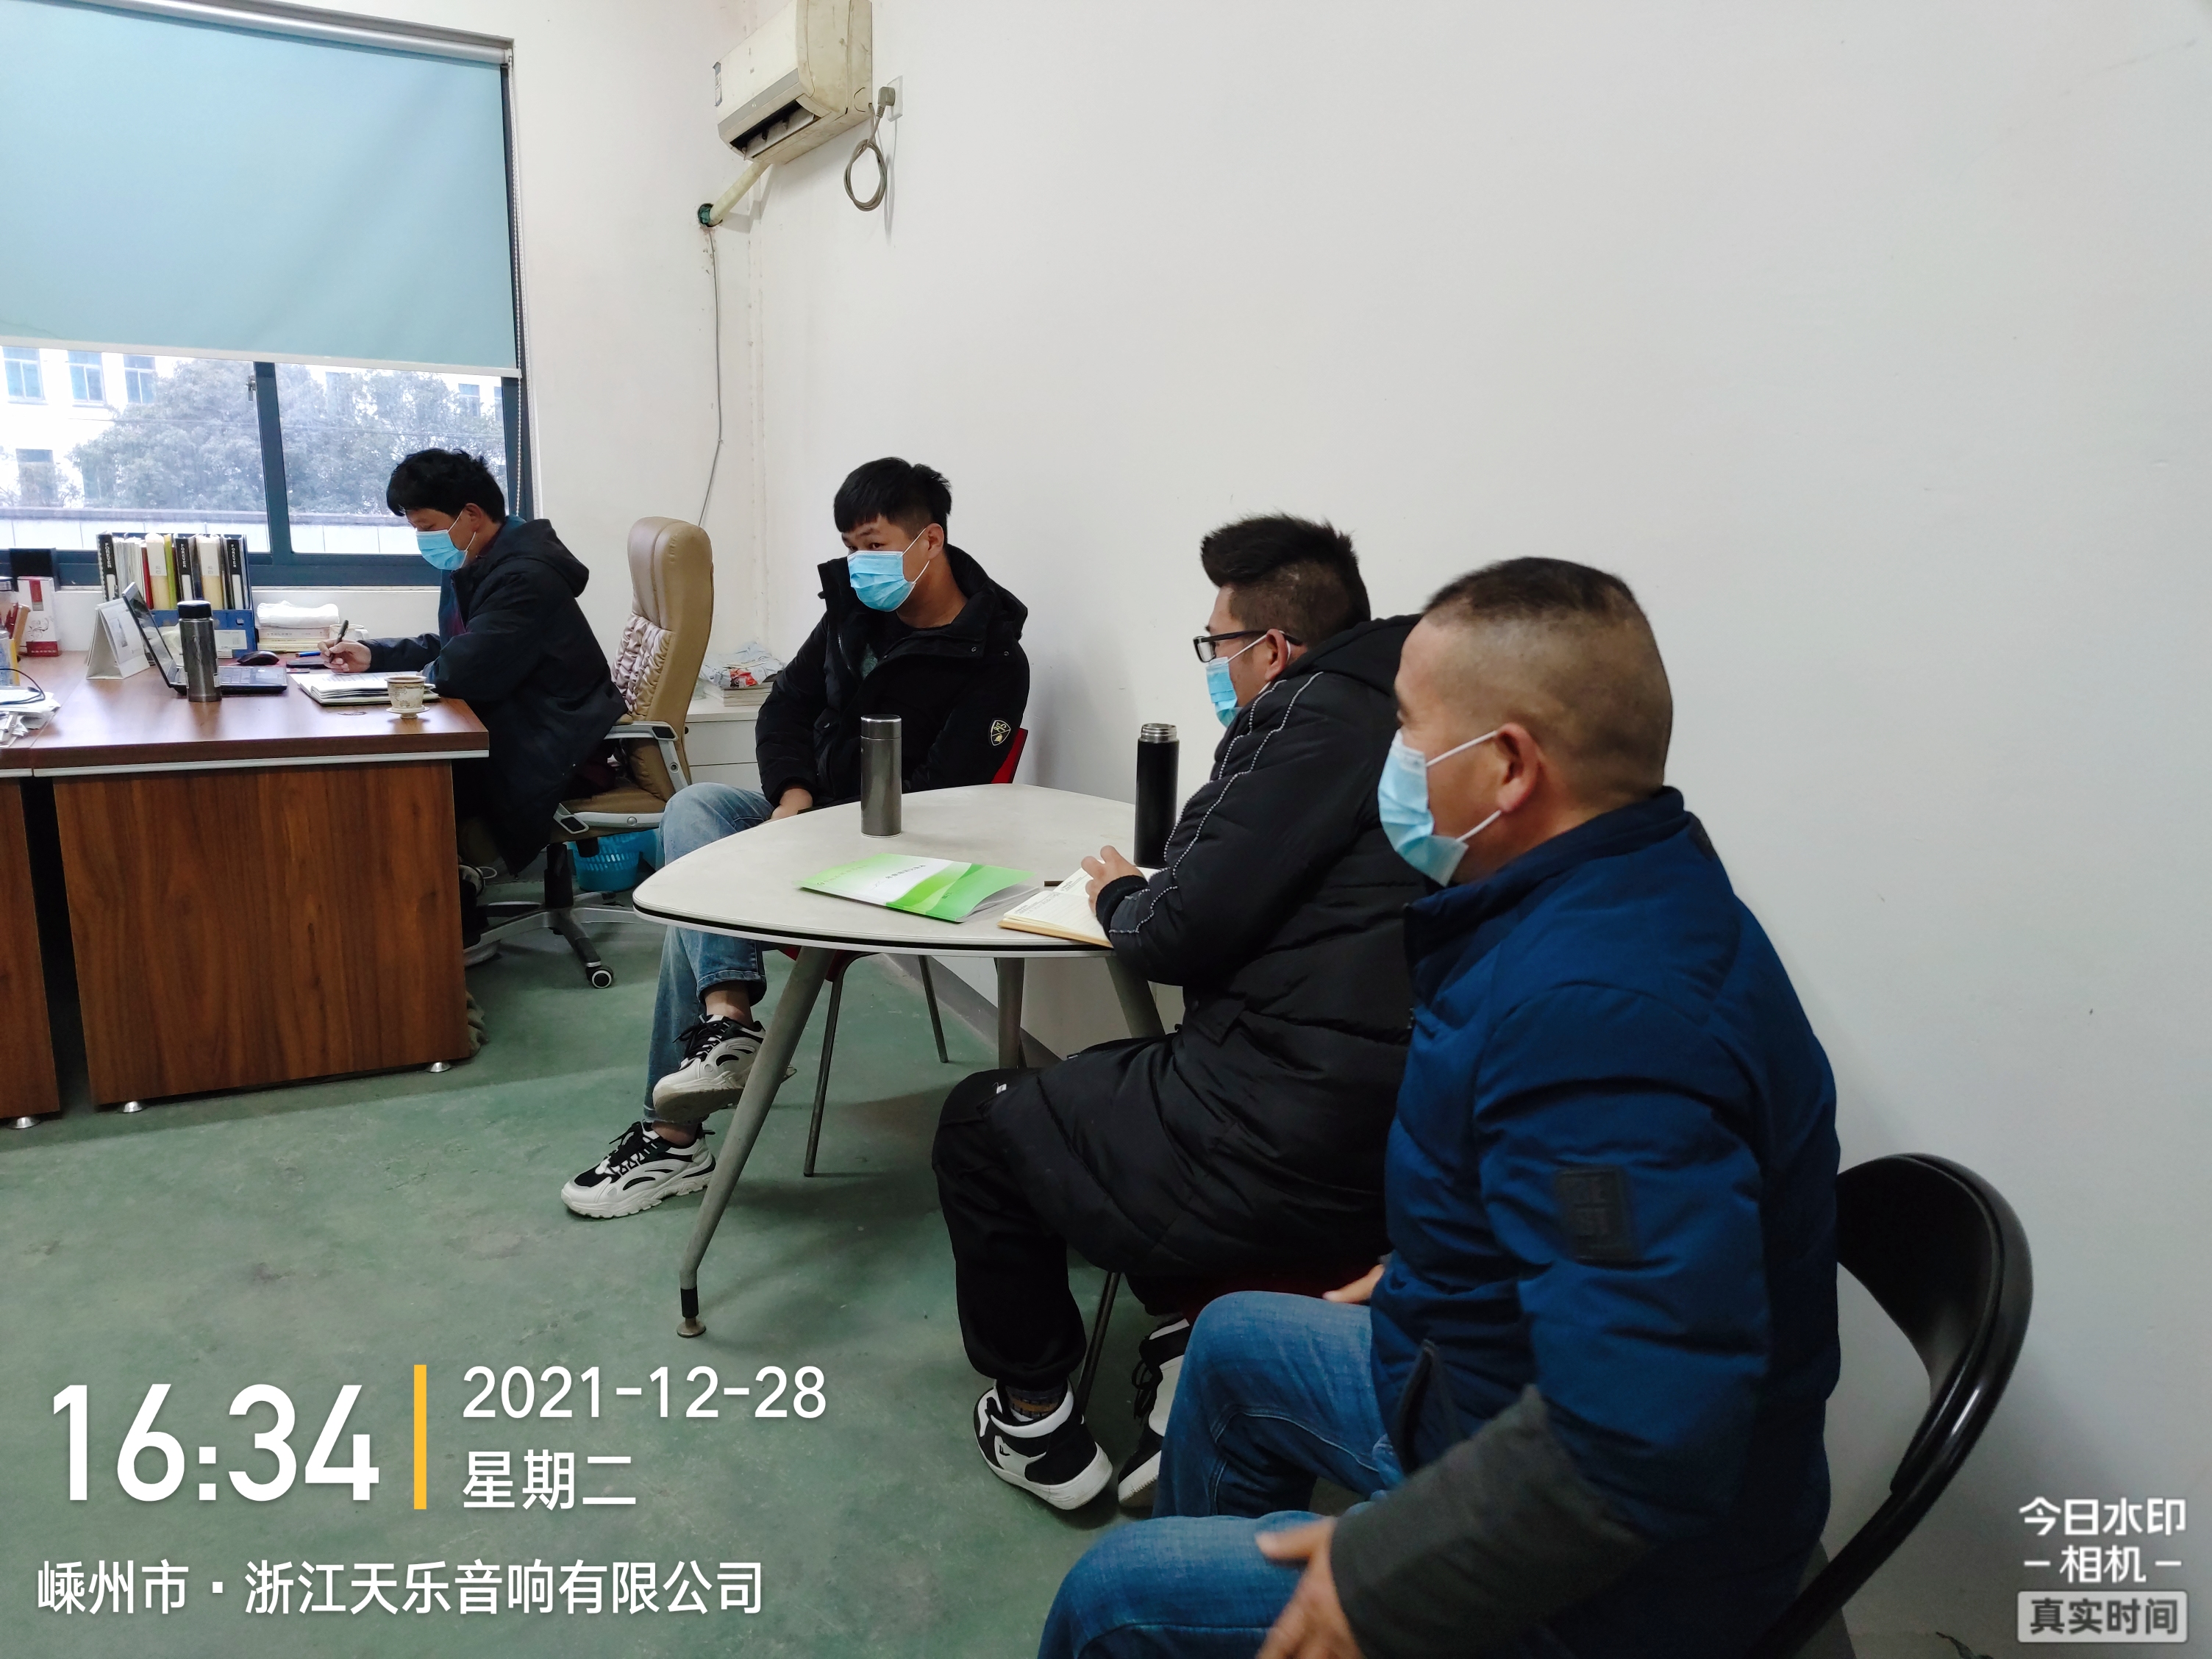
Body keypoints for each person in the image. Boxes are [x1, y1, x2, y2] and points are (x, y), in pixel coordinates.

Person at [1036, 558, 1841, 1659]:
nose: (1393, 758)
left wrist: (1382, 1571)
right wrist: (1448, 1256)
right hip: (1483, 1383)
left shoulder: (1601, 1023)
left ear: (1507, 767)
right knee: (1230, 1341)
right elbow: (1588, 1221)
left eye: (1408, 728)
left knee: (1113, 1599)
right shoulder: (1601, 891)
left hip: (1611, 1585)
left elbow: (1641, 1430)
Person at [932, 515, 1425, 1514]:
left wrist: (1117, 892)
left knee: (982, 1123)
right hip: (1399, 1134)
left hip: (1283, 1132)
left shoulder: (1307, 719)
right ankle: (1189, 1355)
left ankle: (1034, 1423)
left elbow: (1170, 933)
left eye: (1217, 644)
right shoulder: (1415, 715)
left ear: (1273, 649)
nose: (1215, 668)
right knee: (1129, 1085)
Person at [560, 457, 1030, 1219]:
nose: (859, 564)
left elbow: (947, 797)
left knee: (700, 901)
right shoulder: (854, 610)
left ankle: (673, 1134)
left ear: (930, 541)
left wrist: (819, 832)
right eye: (849, 547)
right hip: (811, 821)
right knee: (696, 810)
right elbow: (786, 708)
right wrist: (793, 799)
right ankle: (728, 1025)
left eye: (873, 546)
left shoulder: (994, 659)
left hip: (897, 859)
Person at [328, 449, 624, 949]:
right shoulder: (483, 558)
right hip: (524, 719)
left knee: (405, 787)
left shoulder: (524, 577)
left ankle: (444, 927)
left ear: (470, 514)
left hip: (553, 740)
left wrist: (416, 679)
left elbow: (464, 669)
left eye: (427, 527)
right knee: (401, 775)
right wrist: (375, 656)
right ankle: (447, 902)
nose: (423, 539)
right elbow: (460, 646)